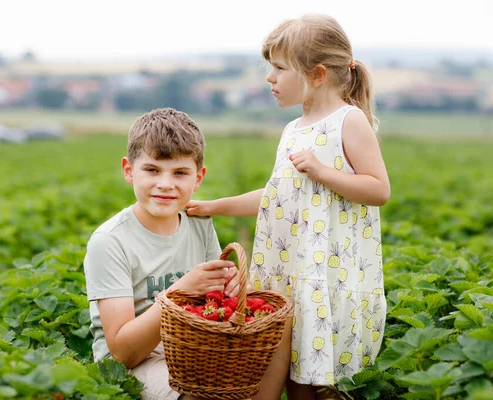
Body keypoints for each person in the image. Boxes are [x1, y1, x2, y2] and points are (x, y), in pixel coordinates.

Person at [186, 14, 390, 400]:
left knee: (306, 381)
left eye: (279, 68)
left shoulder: (349, 121)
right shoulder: (293, 130)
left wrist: (321, 170)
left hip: (322, 275)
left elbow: (378, 189)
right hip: (286, 272)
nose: (270, 78)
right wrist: (215, 205)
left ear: (316, 75)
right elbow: (278, 196)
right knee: (274, 363)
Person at [83, 108, 250, 400]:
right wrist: (177, 293)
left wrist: (228, 288)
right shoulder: (109, 242)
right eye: (152, 170)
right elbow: (123, 352)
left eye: (180, 173)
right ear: (128, 170)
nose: (165, 184)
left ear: (198, 178)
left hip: (190, 346)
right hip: (137, 363)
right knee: (200, 392)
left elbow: (213, 300)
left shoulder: (199, 223)